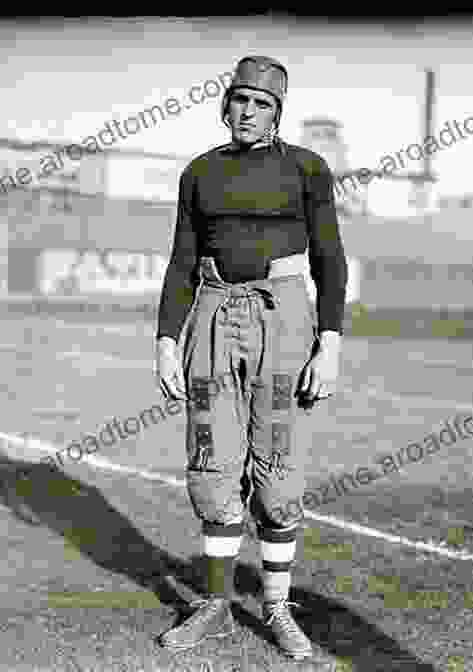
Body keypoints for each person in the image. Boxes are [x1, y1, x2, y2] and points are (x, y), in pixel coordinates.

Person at [154, 55, 348, 660]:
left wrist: (331, 344)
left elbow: (331, 260)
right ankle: (214, 605)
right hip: (212, 317)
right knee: (212, 462)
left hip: (284, 321)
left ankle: (276, 607)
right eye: (239, 100)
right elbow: (182, 260)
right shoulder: (200, 173)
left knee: (279, 469)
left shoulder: (307, 169)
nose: (247, 111)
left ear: (277, 111)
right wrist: (165, 341)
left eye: (261, 103)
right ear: (225, 104)